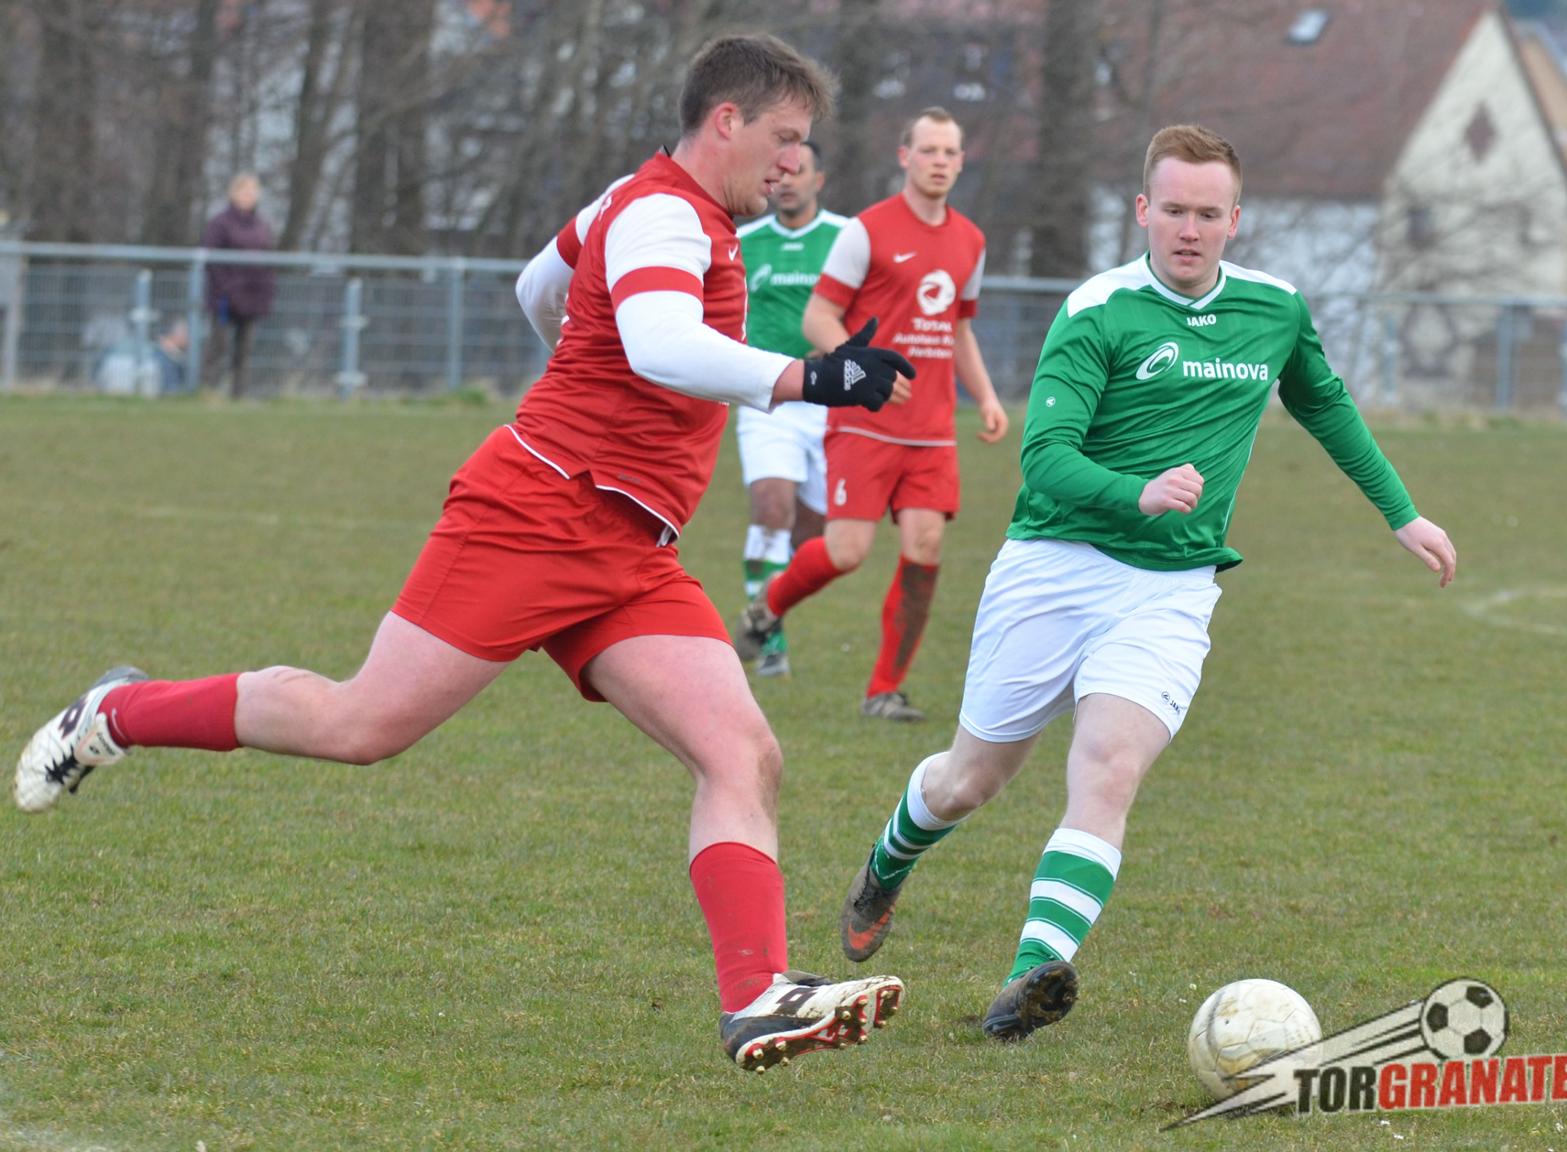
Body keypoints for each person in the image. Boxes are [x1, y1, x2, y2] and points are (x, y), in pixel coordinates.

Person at [15, 34, 916, 1074]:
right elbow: (659, 343)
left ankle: (757, 996)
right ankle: (117, 712)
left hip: (627, 544)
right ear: (726, 120)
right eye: (785, 138)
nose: (795, 163)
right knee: (360, 725)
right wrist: (808, 378)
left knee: (742, 751)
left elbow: (540, 285)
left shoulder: (640, 205)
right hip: (537, 514)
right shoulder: (664, 213)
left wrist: (585, 371)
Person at [833, 124, 1457, 1041]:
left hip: (1171, 588)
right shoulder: (1098, 310)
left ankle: (1028, 979)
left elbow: (1323, 401)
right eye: (1173, 210)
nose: (1189, 229)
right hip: (1055, 569)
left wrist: (1401, 512)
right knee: (969, 781)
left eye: (1208, 213)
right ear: (1142, 211)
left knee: (1109, 768)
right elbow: (1045, 459)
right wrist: (1138, 491)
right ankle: (888, 865)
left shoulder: (1276, 309)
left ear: (1235, 220)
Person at [734, 107, 1009, 722]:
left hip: (932, 431)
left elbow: (959, 330)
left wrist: (987, 397)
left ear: (961, 162)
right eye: (928, 150)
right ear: (905, 157)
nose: (939, 161)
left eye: (950, 152)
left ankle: (884, 690)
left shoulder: (971, 240)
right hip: (864, 421)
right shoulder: (866, 231)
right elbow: (818, 319)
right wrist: (862, 374)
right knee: (846, 550)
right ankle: (765, 610)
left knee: (926, 547)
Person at [733, 141, 848, 678]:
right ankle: (770, 641)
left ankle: (767, 605)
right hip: (769, 400)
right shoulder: (744, 242)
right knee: (770, 508)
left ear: (818, 180)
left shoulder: (847, 239)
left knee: (816, 537)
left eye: (798, 172)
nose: (786, 181)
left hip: (832, 404)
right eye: (779, 171)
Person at [202, 173, 275, 399]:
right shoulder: (219, 223)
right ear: (233, 193)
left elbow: (268, 259)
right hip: (225, 298)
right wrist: (228, 288)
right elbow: (212, 259)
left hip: (253, 296)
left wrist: (265, 290)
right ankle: (207, 392)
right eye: (244, 190)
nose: (248, 195)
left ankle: (239, 395)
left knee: (244, 349)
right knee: (219, 344)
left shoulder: (262, 225)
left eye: (253, 191)